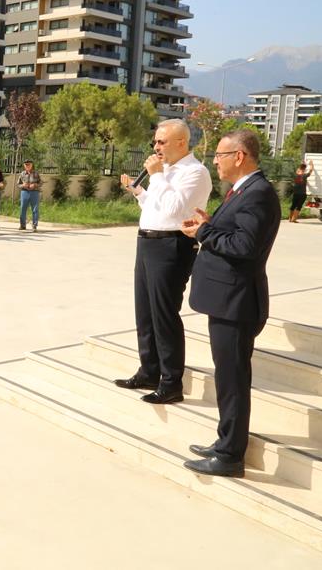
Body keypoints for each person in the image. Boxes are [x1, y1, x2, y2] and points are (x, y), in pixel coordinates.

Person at [180, 129, 281, 477]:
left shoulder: (258, 194)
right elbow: (237, 235)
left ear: (239, 156)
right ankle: (226, 441)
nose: (215, 162)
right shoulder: (242, 191)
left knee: (234, 379)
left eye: (220, 156)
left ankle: (229, 456)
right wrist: (210, 224)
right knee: (227, 377)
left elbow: (245, 247)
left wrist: (204, 233)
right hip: (226, 300)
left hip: (237, 302)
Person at [114, 118, 212, 405]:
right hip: (147, 241)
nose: (156, 147)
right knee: (144, 312)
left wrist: (156, 177)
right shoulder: (165, 171)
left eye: (162, 141)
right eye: (155, 141)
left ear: (182, 142)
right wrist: (140, 192)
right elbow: (156, 206)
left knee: (164, 314)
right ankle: (148, 371)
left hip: (172, 245)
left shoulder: (195, 172)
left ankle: (171, 383)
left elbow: (176, 210)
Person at [17, 160, 42, 231]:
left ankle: (34, 225)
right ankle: (22, 225)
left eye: (29, 164)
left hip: (34, 192)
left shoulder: (36, 173)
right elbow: (18, 184)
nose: (27, 166)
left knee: (35, 209)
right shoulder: (22, 173)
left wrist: (35, 185)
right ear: (24, 166)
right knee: (23, 209)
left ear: (32, 165)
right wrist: (23, 185)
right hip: (24, 192)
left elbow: (41, 183)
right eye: (26, 165)